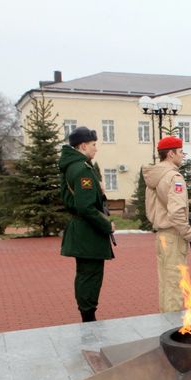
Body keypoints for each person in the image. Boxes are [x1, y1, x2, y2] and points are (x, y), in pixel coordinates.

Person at [58, 126, 115, 322]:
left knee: (85, 274)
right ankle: (88, 318)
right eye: (93, 144)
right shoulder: (82, 169)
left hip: (82, 230)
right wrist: (107, 225)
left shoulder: (75, 166)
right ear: (82, 146)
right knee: (90, 275)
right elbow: (85, 207)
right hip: (87, 232)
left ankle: (87, 313)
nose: (95, 148)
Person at [142, 136, 191, 313]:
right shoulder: (175, 177)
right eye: (180, 152)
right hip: (174, 235)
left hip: (161, 235)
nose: (182, 156)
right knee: (175, 283)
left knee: (165, 282)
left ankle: (164, 323)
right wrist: (190, 235)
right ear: (171, 153)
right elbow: (176, 213)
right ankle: (173, 329)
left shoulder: (155, 177)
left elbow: (151, 209)